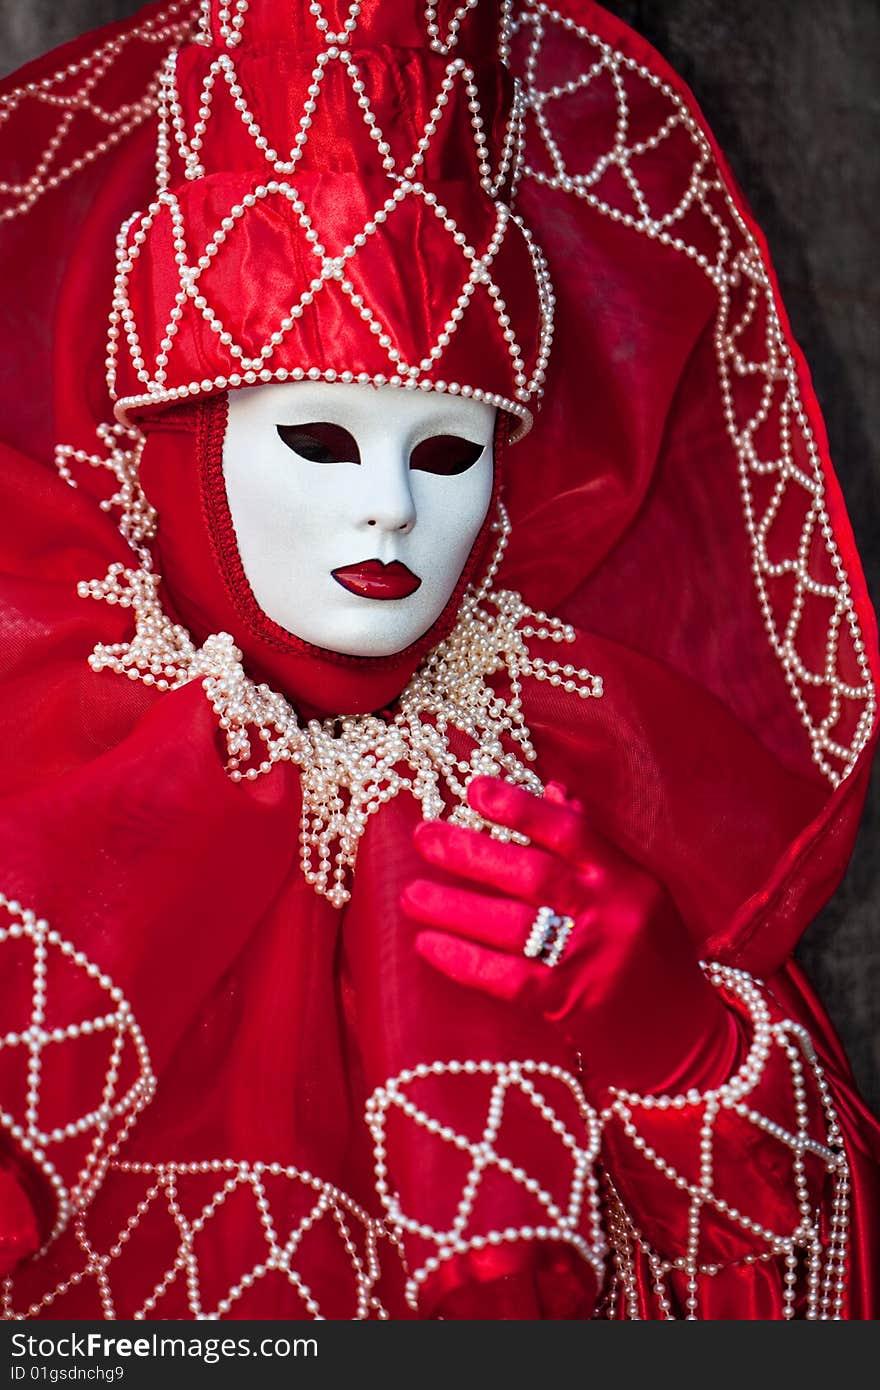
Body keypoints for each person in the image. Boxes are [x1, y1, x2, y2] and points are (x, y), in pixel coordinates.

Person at [0, 0, 877, 1320]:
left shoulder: (571, 793)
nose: (394, 509)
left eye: (451, 449)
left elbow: (812, 1302)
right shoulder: (37, 763)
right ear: (175, 440)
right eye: (319, 435)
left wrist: (683, 1050)